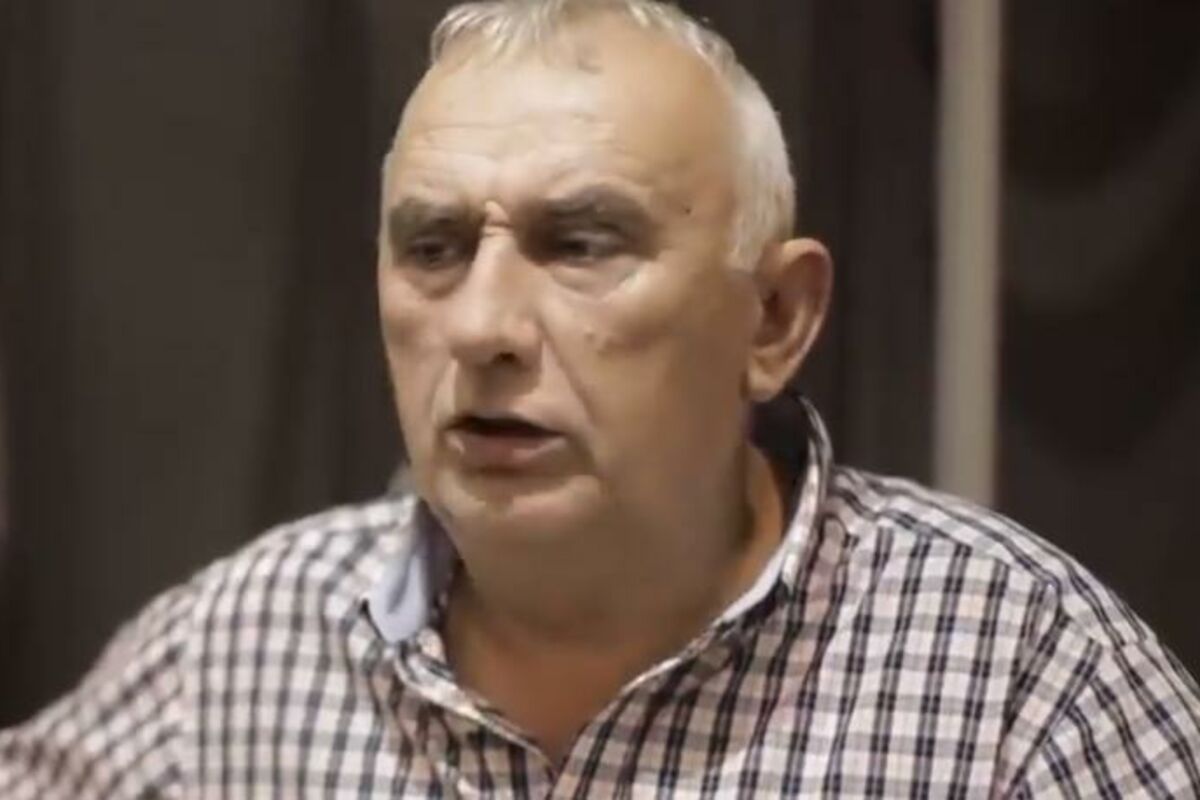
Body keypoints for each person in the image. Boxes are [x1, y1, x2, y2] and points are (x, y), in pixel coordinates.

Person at [4, 0, 1200, 796]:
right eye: (432, 248)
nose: (482, 325)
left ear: (774, 319)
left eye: (581, 243)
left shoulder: (1016, 676)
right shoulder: (246, 639)